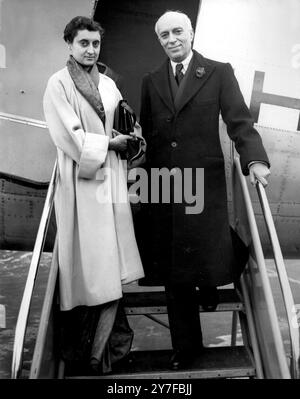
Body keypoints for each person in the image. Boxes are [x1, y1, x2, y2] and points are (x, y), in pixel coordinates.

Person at [139, 10, 271, 370]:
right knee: (173, 269)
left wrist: (254, 159)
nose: (172, 40)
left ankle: (214, 277)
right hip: (165, 184)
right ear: (160, 40)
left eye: (177, 32)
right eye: (164, 35)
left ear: (191, 32)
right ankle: (186, 346)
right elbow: (148, 133)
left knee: (209, 248)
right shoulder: (151, 81)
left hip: (203, 182)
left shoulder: (218, 71)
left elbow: (238, 120)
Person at [43, 16, 145, 374]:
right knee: (92, 270)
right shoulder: (58, 85)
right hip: (81, 185)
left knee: (109, 267)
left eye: (95, 44)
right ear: (69, 44)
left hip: (110, 183)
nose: (90, 50)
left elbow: (126, 127)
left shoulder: (109, 86)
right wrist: (109, 143)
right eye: (83, 43)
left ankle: (106, 351)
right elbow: (69, 137)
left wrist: (133, 140)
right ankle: (95, 352)